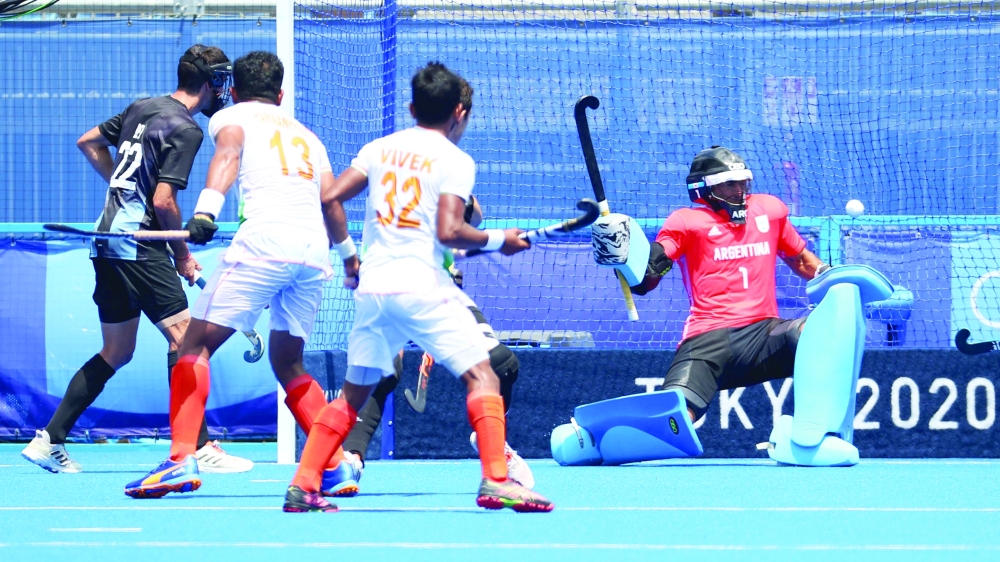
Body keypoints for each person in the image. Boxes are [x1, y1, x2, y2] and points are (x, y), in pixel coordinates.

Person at [283, 61, 553, 513]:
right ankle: (497, 480)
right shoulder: (456, 160)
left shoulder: (379, 147)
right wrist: (499, 241)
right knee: (482, 375)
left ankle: (304, 483)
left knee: (353, 395)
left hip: (372, 288)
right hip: (421, 284)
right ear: (460, 111)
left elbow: (328, 196)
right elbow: (450, 232)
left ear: (412, 107)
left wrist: (349, 254)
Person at [123, 50, 356, 498]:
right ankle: (335, 463)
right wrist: (348, 255)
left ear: (235, 88)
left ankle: (179, 461)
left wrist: (206, 212)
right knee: (288, 361)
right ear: (281, 92)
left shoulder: (230, 117)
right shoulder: (310, 136)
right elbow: (330, 199)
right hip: (312, 253)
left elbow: (228, 154)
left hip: (265, 245)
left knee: (194, 345)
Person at [21, 45, 252, 475]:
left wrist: (123, 189)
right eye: (220, 80)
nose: (223, 88)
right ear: (208, 82)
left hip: (105, 239)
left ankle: (48, 440)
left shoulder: (141, 107)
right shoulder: (186, 128)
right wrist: (182, 255)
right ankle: (197, 446)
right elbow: (164, 199)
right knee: (185, 338)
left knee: (117, 349)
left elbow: (88, 142)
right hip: (140, 243)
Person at [334, 195, 533, 493]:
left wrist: (454, 221)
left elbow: (472, 217)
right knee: (383, 371)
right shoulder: (385, 166)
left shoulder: (447, 168)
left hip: (439, 289)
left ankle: (492, 439)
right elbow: (333, 198)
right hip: (387, 286)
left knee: (500, 363)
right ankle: (348, 458)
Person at [629, 146, 828, 424]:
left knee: (818, 334)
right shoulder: (686, 222)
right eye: (729, 184)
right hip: (709, 338)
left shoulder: (769, 211)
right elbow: (645, 283)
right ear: (703, 189)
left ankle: (817, 430)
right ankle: (617, 435)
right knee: (674, 415)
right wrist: (628, 261)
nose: (739, 190)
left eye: (743, 182)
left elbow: (805, 263)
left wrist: (835, 280)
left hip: (765, 334)